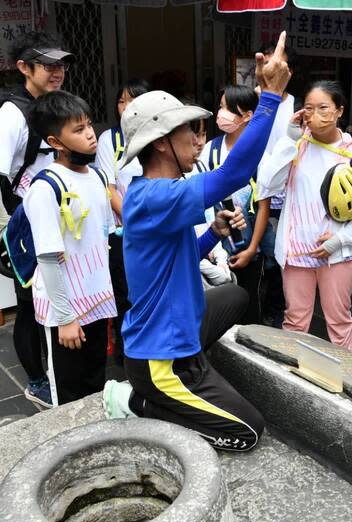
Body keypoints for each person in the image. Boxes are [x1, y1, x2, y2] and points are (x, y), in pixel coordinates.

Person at [102, 32, 292, 452]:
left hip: (173, 327)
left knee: (236, 297)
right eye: (190, 130)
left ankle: (192, 372)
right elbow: (233, 174)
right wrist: (270, 97)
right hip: (160, 360)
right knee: (248, 432)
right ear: (161, 142)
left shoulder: (154, 192)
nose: (198, 138)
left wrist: (213, 233)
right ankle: (136, 401)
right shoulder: (154, 195)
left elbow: (176, 259)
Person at [0, 32, 75, 408]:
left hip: (56, 217)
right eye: (47, 65)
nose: (57, 71)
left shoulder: (52, 107)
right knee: (30, 306)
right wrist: (7, 226)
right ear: (23, 68)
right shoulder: (12, 115)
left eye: (60, 64)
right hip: (26, 223)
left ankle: (58, 368)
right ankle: (37, 381)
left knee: (55, 296)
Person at [257, 81, 352, 349]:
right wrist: (288, 139)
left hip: (336, 251)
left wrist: (341, 239)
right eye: (309, 108)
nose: (316, 114)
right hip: (297, 249)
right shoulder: (296, 146)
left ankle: (345, 380)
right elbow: (267, 183)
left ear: (339, 111)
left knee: (338, 320)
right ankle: (291, 377)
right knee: (295, 319)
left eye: (324, 107)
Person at [24, 90, 116, 405]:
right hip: (66, 312)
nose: (91, 134)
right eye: (78, 130)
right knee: (66, 395)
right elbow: (49, 259)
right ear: (55, 142)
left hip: (97, 303)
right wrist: (65, 318)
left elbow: (103, 239)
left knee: (94, 384)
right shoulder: (46, 187)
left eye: (89, 125)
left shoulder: (98, 177)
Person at [198, 84, 275, 324]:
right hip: (215, 247)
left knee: (249, 302)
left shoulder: (260, 155)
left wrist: (252, 249)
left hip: (249, 248)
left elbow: (264, 206)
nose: (221, 114)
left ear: (247, 117)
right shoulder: (209, 150)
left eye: (227, 109)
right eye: (221, 107)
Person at [95, 78, 151, 361]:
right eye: (121, 101)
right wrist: (133, 221)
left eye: (133, 100)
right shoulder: (109, 139)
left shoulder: (157, 136)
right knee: (123, 290)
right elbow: (109, 187)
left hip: (152, 231)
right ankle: (126, 347)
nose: (126, 106)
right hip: (123, 231)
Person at [256, 41, 299, 328]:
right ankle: (263, 310)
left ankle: (280, 309)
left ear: (288, 71)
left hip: (288, 195)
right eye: (267, 64)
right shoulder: (255, 100)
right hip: (258, 191)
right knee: (261, 254)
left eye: (278, 64)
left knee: (281, 256)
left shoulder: (297, 105)